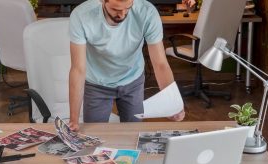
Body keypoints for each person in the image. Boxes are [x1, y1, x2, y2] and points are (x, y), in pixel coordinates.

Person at [69, 0, 186, 131]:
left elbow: (160, 64)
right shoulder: (81, 15)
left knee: (134, 133)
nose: (123, 14)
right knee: (93, 134)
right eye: (116, 9)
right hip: (96, 84)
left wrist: (172, 102)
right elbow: (78, 69)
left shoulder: (147, 13)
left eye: (128, 8)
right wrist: (73, 120)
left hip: (132, 81)